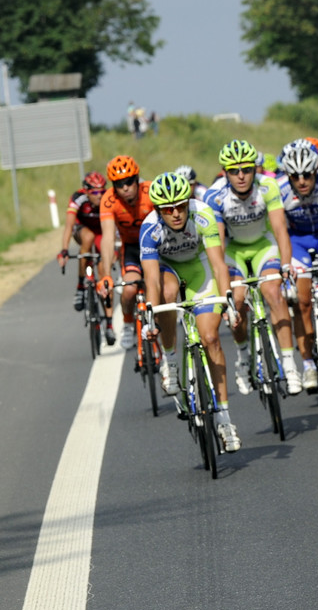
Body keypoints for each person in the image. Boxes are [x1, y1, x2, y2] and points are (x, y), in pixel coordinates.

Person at [139, 172, 241, 451]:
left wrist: (228, 302)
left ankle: (224, 417)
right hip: (168, 270)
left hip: (199, 270)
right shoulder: (149, 229)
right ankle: (170, 359)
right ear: (158, 210)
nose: (175, 214)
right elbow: (151, 280)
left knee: (210, 338)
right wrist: (151, 316)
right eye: (167, 209)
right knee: (167, 294)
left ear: (188, 202)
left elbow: (219, 265)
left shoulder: (203, 214)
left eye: (180, 207)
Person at [204, 139, 302, 396]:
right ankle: (244, 357)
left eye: (246, 169)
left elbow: (280, 230)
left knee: (273, 293)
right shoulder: (215, 196)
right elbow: (219, 246)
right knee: (236, 302)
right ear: (225, 172)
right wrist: (222, 289)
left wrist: (285, 264)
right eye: (234, 171)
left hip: (263, 245)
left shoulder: (267, 187)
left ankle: (290, 366)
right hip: (234, 250)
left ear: (255, 169)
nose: (241, 176)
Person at [278, 140, 318, 392]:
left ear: (316, 171)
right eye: (295, 176)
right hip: (298, 243)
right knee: (301, 302)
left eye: (307, 174)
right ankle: (308, 364)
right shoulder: (280, 190)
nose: (302, 181)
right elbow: (280, 230)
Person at [98, 155, 155, 350]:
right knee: (130, 289)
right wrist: (106, 275)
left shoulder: (150, 192)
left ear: (137, 179)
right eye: (119, 184)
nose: (125, 188)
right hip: (131, 247)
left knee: (158, 287)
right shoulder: (108, 200)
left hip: (154, 246)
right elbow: (107, 238)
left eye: (129, 182)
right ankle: (128, 324)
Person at [58, 171, 115, 342]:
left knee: (104, 275)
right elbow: (68, 226)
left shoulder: (108, 199)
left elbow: (114, 229)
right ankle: (81, 286)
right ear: (87, 191)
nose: (99, 196)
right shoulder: (78, 198)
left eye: (102, 191)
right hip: (82, 229)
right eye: (95, 193)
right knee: (88, 239)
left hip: (101, 232)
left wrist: (113, 253)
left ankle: (110, 325)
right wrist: (64, 249)